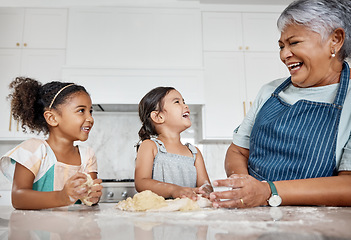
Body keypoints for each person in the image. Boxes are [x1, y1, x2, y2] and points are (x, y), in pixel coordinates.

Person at [210, 0, 351, 208]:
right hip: (257, 218)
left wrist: (268, 192)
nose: (284, 55)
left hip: (322, 226)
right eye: (281, 46)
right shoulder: (269, 91)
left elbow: (348, 185)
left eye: (294, 43)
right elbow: (238, 151)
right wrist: (244, 187)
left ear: (335, 40)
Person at [0, 77, 102, 210]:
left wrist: (93, 196)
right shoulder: (33, 150)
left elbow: (90, 197)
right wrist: (62, 197)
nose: (90, 118)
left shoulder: (87, 155)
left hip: (74, 229)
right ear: (52, 118)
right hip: (35, 229)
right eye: (81, 110)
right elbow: (18, 198)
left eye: (90, 111)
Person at [134, 87, 213, 200]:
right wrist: (174, 190)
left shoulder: (194, 152)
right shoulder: (150, 146)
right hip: (157, 216)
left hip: (189, 215)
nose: (186, 106)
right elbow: (141, 183)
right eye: (177, 102)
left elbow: (206, 186)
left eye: (184, 102)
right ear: (158, 117)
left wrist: (205, 192)